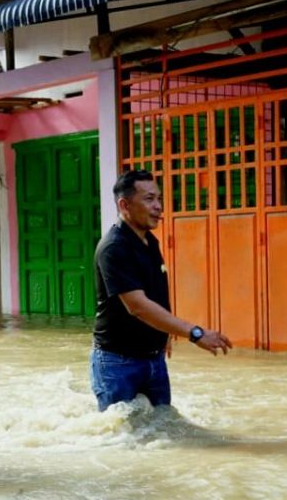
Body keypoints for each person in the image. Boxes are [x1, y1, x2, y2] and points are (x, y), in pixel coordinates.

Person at [91, 169, 232, 411]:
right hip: (118, 362)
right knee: (122, 437)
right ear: (124, 205)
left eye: (159, 198)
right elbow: (137, 306)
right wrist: (195, 333)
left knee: (162, 428)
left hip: (154, 358)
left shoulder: (148, 241)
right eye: (149, 199)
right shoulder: (113, 248)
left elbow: (155, 292)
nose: (158, 206)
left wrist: (164, 334)